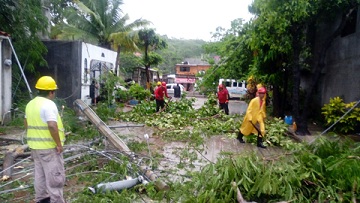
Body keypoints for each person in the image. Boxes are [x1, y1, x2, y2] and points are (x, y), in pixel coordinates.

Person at [24, 76, 66, 203]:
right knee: (55, 177)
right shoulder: (48, 104)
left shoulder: (30, 104)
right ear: (51, 92)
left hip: (35, 147)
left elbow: (26, 123)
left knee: (40, 175)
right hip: (48, 147)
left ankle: (41, 199)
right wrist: (58, 144)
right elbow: (52, 125)